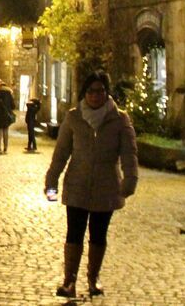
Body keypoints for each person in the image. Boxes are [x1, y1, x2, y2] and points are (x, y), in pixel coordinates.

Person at [44, 71, 138, 300]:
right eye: (91, 91)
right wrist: (51, 181)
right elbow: (61, 152)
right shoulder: (74, 117)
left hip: (106, 187)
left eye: (100, 91)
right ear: (85, 93)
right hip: (77, 183)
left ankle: (93, 278)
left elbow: (129, 153)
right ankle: (70, 281)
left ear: (107, 93)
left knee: (98, 234)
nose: (96, 96)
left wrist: (130, 179)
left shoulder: (119, 119)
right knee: (74, 233)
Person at [0, 80, 16, 154]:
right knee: (5, 131)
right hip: (6, 115)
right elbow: (13, 106)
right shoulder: (9, 94)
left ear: (0, 86)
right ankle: (5, 147)